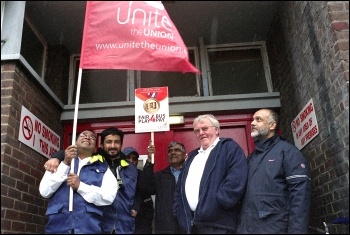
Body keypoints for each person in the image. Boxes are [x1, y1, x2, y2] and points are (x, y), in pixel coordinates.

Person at [44, 127, 138, 234]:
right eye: (108, 142)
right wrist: (59, 158)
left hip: (117, 225)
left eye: (116, 142)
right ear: (101, 146)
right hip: (66, 226)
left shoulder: (128, 168)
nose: (112, 145)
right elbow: (44, 191)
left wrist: (136, 206)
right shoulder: (68, 161)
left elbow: (139, 190)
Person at [237, 108, 311, 234]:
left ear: (272, 125)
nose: (252, 123)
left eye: (258, 120)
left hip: (275, 228)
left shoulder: (288, 152)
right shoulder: (251, 158)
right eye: (253, 120)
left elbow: (300, 195)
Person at [173, 114, 248, 234]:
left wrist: (219, 202)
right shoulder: (192, 156)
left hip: (219, 226)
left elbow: (237, 178)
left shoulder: (229, 148)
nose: (201, 133)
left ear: (217, 130)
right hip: (193, 226)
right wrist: (178, 211)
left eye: (205, 128)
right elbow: (179, 188)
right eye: (197, 131)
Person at [145, 141, 187, 234]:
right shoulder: (160, 176)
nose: (173, 153)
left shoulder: (191, 173)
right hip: (165, 227)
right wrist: (149, 160)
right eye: (170, 151)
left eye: (177, 150)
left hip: (188, 225)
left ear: (184, 155)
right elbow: (146, 188)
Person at [123, 147, 155, 234]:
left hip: (142, 221)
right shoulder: (116, 174)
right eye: (128, 158)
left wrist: (149, 160)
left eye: (134, 159)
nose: (131, 161)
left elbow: (149, 188)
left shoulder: (141, 175)